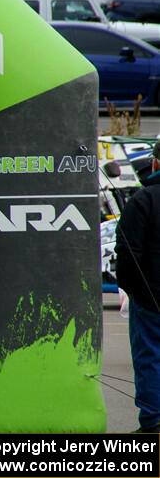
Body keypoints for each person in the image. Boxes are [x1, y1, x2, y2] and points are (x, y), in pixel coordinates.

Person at [115, 140, 160, 434]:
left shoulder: (144, 199)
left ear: (156, 162)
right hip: (149, 292)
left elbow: (127, 252)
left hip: (150, 295)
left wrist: (132, 290)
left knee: (151, 357)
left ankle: (154, 419)